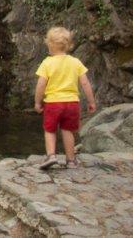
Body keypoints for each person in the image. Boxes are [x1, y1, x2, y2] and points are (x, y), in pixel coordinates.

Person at [34, 26, 96, 170]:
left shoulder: (47, 63)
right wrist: (91, 101)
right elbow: (85, 83)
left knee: (50, 129)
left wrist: (38, 102)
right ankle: (71, 160)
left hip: (53, 103)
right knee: (68, 130)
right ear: (68, 45)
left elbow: (41, 84)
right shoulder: (75, 62)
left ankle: (51, 155)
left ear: (49, 44)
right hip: (72, 103)